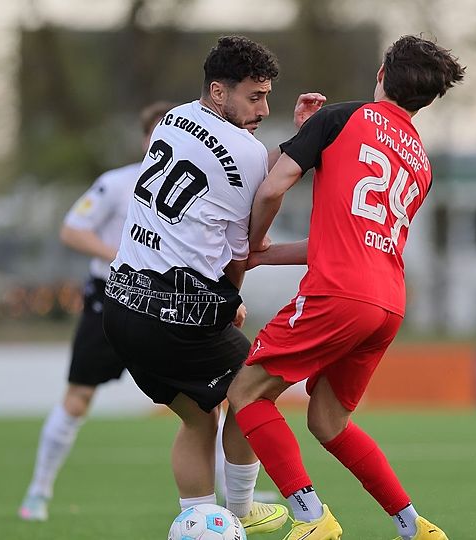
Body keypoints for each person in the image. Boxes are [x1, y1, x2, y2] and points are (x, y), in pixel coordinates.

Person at [226, 35, 465, 540]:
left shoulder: (342, 118)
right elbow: (345, 237)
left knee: (246, 392)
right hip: (388, 302)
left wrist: (251, 242)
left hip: (338, 293)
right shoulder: (420, 162)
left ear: (381, 74)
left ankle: (312, 517)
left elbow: (271, 187)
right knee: (329, 421)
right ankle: (414, 527)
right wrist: (264, 256)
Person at [101, 35, 326, 536]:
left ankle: (197, 522)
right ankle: (240, 509)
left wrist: (295, 141)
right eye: (255, 96)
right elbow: (242, 247)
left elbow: (229, 168)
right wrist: (229, 302)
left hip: (121, 302)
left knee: (199, 416)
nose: (263, 109)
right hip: (174, 310)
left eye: (267, 96)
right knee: (252, 392)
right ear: (219, 91)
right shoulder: (246, 151)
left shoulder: (173, 118)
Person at [19, 100, 173, 522]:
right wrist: (121, 255)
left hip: (165, 302)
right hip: (109, 298)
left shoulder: (193, 188)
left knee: (205, 401)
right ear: (145, 140)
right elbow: (72, 229)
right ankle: (38, 491)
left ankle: (235, 494)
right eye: (157, 133)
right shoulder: (116, 184)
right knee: (79, 396)